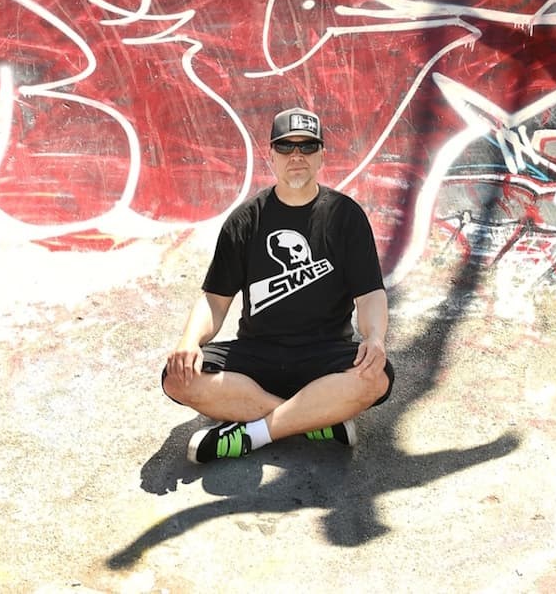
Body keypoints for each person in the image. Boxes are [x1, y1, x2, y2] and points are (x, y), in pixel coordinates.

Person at [163, 106, 393, 464]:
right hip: (258, 353)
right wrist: (188, 341)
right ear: (271, 154)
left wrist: (375, 338)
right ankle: (316, 418)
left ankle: (252, 434)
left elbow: (370, 294)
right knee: (176, 379)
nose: (296, 156)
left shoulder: (345, 216)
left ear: (321, 156)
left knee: (377, 379)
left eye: (307, 147)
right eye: (286, 147)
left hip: (324, 353)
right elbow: (215, 300)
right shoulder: (245, 220)